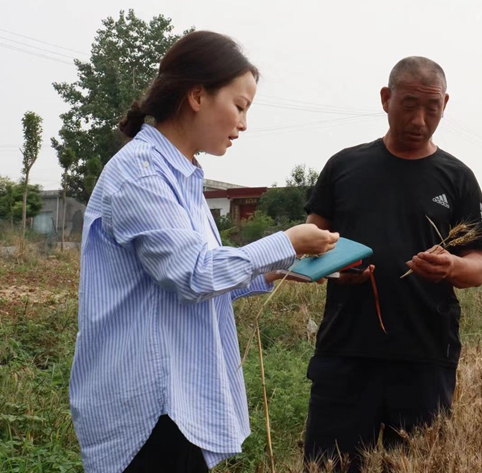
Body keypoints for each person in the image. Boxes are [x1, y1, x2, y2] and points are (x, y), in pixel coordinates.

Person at [68, 30, 339, 473]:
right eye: (239, 106)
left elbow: (186, 285)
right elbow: (194, 275)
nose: (244, 124)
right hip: (147, 404)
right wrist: (286, 241)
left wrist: (270, 272)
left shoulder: (184, 174)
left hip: (174, 400)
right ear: (197, 95)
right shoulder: (142, 174)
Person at [303, 56, 482, 470]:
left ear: (445, 104)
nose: (420, 119)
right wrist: (336, 267)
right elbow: (310, 240)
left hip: (424, 357)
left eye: (432, 108)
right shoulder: (344, 167)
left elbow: (478, 267)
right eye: (409, 104)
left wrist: (451, 268)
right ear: (386, 99)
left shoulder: (458, 178)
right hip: (345, 354)